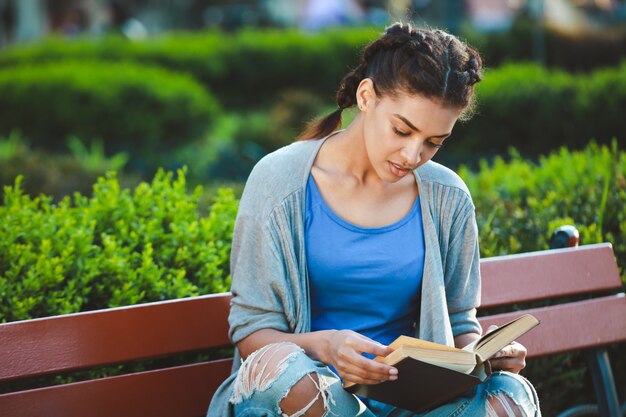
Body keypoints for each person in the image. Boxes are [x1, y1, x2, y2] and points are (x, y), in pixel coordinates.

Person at [207, 23, 541, 417]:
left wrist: (482, 354)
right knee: (285, 370)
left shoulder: (447, 197)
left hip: (413, 404)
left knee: (510, 394)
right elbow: (252, 334)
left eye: (434, 142)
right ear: (366, 97)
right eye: (402, 130)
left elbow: (458, 320)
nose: (412, 154)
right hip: (308, 397)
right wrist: (326, 345)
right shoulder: (279, 182)